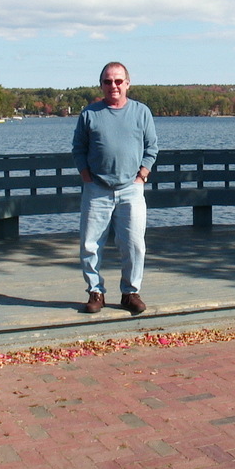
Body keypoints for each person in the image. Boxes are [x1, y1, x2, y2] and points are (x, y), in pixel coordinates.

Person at [72, 62, 159, 314]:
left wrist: (142, 174)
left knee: (134, 244)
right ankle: (95, 292)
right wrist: (86, 175)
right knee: (90, 244)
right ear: (101, 85)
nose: (114, 86)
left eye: (119, 81)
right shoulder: (90, 113)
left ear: (127, 84)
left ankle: (130, 293)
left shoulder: (141, 112)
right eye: (108, 81)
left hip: (131, 189)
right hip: (96, 188)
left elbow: (151, 147)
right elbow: (78, 148)